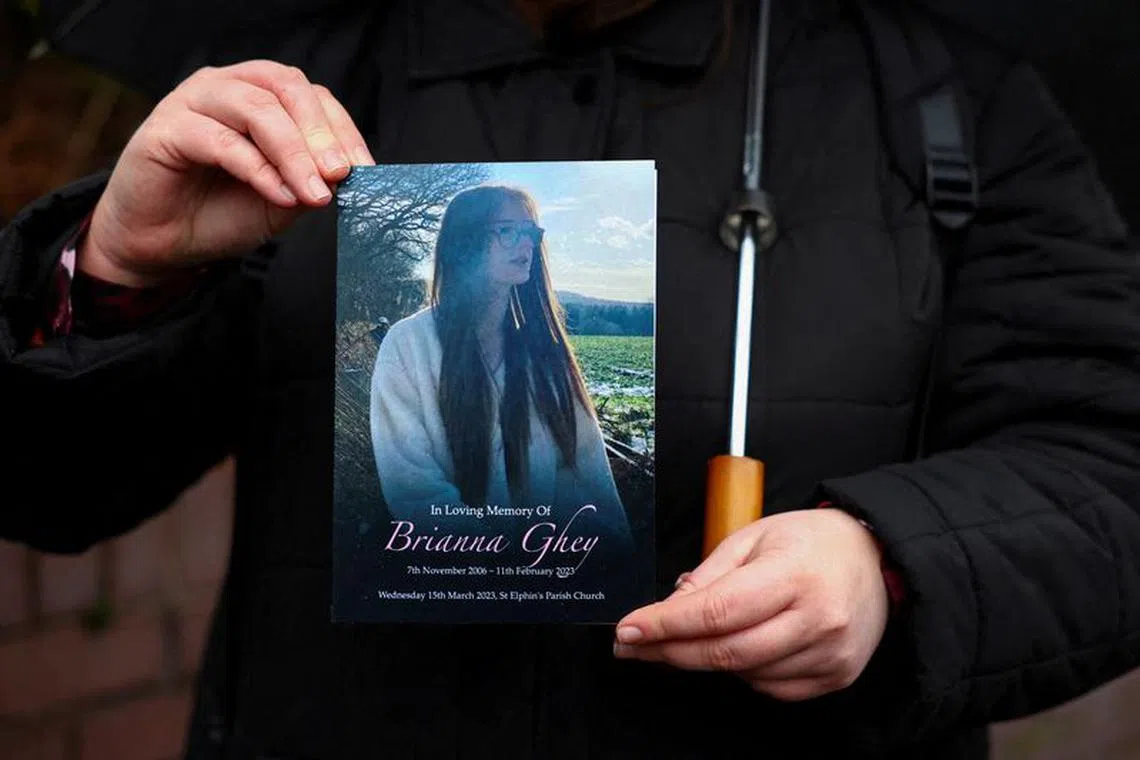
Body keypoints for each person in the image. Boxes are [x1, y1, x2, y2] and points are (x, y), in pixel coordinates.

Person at [2, 1, 1139, 758]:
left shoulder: (939, 101)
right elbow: (59, 489)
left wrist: (890, 560)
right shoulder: (295, 99)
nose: (524, 252)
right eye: (506, 238)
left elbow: (1111, 461)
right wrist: (116, 278)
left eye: (530, 241)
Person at [368, 184, 631, 544]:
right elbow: (413, 486)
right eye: (508, 231)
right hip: (451, 567)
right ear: (466, 242)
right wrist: (497, 558)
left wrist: (606, 557)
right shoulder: (408, 344)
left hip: (548, 565)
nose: (526, 245)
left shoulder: (544, 352)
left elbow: (586, 475)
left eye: (530, 233)